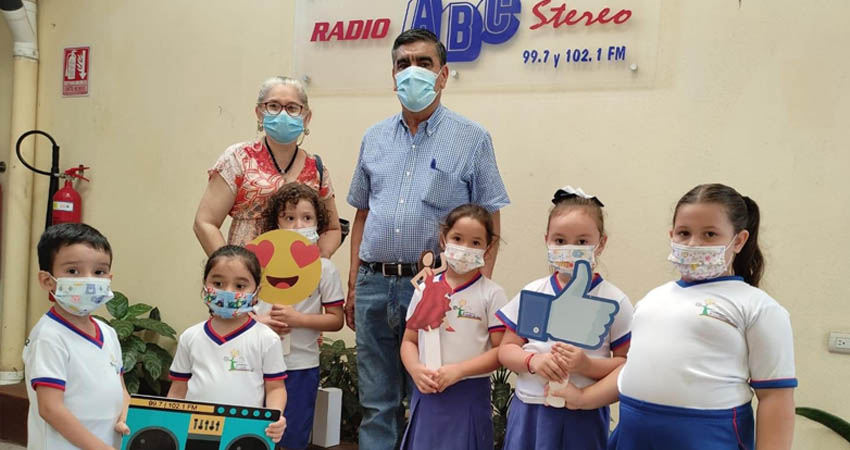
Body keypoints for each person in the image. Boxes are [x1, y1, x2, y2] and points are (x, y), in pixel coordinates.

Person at [346, 28, 510, 449]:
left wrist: (476, 290)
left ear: (443, 74)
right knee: (377, 403)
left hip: (440, 290)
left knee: (431, 391)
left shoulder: (472, 138)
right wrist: (352, 285)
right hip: (373, 284)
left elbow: (490, 218)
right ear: (393, 74)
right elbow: (361, 214)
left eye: (424, 63)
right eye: (403, 64)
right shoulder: (373, 137)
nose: (412, 72)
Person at [551, 183, 797, 450]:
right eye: (684, 233)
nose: (694, 243)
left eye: (710, 234)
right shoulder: (652, 299)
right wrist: (584, 398)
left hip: (708, 437)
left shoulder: (759, 307)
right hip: (632, 435)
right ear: (672, 235)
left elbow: (775, 397)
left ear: (738, 240)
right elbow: (632, 368)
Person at [496, 187, 633, 450]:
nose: (570, 249)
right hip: (529, 410)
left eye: (582, 242)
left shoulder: (614, 301)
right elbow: (506, 349)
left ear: (600, 243)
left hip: (582, 415)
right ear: (547, 240)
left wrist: (586, 365)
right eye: (560, 241)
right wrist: (533, 361)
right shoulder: (535, 293)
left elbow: (627, 364)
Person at [194, 76, 342, 258]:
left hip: (300, 280)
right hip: (246, 279)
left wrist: (317, 260)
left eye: (292, 108)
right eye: (273, 106)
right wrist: (230, 268)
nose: (283, 114)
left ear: (306, 118)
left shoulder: (316, 168)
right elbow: (205, 222)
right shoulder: (237, 159)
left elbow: (333, 229)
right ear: (259, 113)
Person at [400, 204, 507, 450]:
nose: (465, 248)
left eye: (476, 243)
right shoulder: (424, 288)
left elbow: (501, 352)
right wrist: (416, 369)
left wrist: (459, 371)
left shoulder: (492, 294)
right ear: (443, 240)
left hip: (469, 396)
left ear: (488, 249)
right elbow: (409, 340)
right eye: (458, 238)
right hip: (426, 392)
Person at [254, 182, 345, 450]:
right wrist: (261, 322)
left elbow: (335, 319)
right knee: (256, 431)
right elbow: (240, 312)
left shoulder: (324, 269)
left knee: (292, 434)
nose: (297, 226)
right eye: (289, 218)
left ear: (318, 224)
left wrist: (298, 319)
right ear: (275, 223)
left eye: (307, 218)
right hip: (257, 363)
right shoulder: (255, 264)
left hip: (301, 367)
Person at [24, 223, 130, 450]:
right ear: (47, 280)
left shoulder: (109, 333)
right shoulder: (49, 337)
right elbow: (50, 409)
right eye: (73, 271)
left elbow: (120, 388)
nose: (89, 280)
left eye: (99, 272)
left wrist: (124, 416)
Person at [167, 245, 287, 444]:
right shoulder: (190, 337)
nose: (228, 292)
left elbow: (275, 388)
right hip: (194, 431)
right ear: (204, 285)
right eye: (218, 283)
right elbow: (178, 388)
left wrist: (276, 416)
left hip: (243, 433)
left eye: (240, 286)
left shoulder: (266, 339)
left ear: (257, 292)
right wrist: (169, 422)